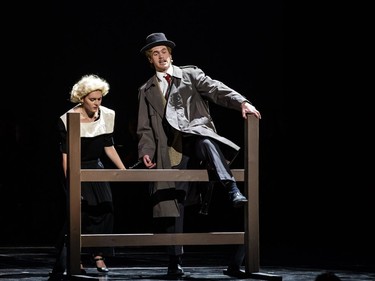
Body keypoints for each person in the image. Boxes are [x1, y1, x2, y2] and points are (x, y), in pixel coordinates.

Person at [136, 32, 261, 277]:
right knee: (174, 204)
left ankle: (231, 188)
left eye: (164, 52)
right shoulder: (146, 89)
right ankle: (175, 261)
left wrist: (242, 102)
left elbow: (216, 89)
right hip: (171, 149)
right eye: (155, 53)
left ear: (170, 54)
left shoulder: (190, 75)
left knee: (206, 139)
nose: (160, 56)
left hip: (197, 139)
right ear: (150, 59)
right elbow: (144, 127)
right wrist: (146, 151)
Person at [50, 74, 126, 278]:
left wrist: (124, 170)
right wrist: (70, 182)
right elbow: (65, 155)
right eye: (92, 99)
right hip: (76, 168)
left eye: (99, 99)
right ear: (82, 98)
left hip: (96, 167)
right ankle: (76, 258)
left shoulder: (107, 114)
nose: (96, 103)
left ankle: (99, 254)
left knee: (106, 207)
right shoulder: (68, 119)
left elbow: (108, 146)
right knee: (80, 213)